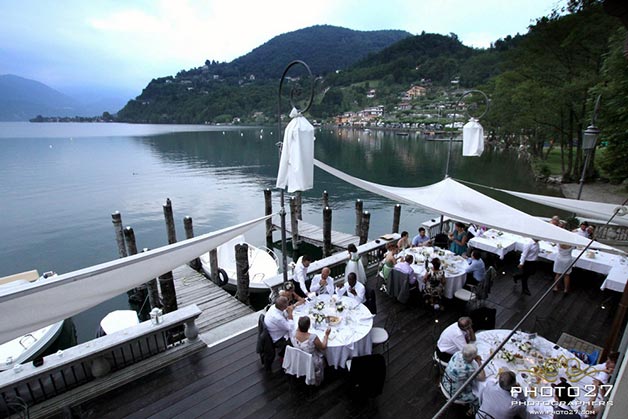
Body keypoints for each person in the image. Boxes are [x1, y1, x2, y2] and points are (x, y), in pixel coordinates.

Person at [441, 343, 486, 409]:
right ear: (472, 357)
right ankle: (474, 410)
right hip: (454, 393)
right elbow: (482, 378)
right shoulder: (468, 368)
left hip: (445, 381)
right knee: (479, 395)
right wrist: (479, 361)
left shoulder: (457, 354)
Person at [291, 316, 330, 386]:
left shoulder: (293, 333)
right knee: (324, 355)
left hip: (299, 357)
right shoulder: (312, 337)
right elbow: (323, 347)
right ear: (309, 326)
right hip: (312, 360)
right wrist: (326, 335)